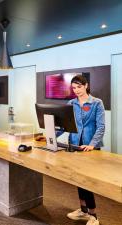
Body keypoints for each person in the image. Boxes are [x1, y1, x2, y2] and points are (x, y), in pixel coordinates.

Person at [66, 75, 105, 225]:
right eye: (74, 88)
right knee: (78, 179)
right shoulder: (71, 103)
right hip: (75, 145)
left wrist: (92, 144)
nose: (76, 90)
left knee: (87, 182)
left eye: (79, 87)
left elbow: (101, 127)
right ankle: (83, 211)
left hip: (90, 148)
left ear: (86, 85)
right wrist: (50, 136)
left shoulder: (96, 103)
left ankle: (94, 216)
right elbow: (65, 124)